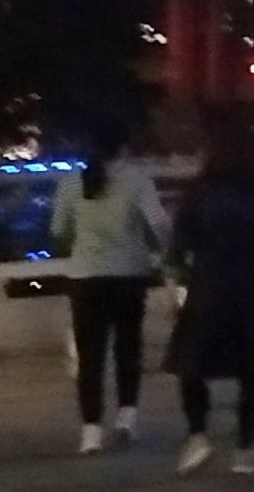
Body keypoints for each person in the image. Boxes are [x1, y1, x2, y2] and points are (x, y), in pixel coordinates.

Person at [165, 128, 254, 476]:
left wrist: (175, 287)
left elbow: (177, 249)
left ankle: (198, 434)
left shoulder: (198, 194)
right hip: (252, 289)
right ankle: (245, 449)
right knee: (251, 373)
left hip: (208, 288)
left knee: (192, 366)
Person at [53, 130, 170, 455]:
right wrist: (166, 251)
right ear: (123, 148)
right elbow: (159, 224)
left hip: (85, 277)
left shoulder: (71, 182)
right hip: (129, 275)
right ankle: (126, 417)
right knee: (128, 347)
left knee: (90, 356)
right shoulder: (137, 181)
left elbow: (58, 229)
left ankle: (90, 432)